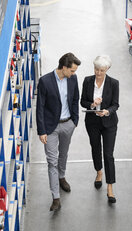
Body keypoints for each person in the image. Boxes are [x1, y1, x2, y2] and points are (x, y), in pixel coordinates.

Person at [36, 53, 81, 211]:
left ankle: (62, 177)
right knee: (51, 161)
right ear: (64, 68)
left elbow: (75, 99)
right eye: (72, 71)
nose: (74, 74)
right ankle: (56, 197)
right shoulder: (45, 81)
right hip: (51, 128)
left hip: (68, 124)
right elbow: (40, 107)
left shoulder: (72, 79)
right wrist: (42, 131)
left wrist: (74, 121)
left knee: (64, 154)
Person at [80, 55, 119, 203]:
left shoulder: (114, 83)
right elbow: (82, 101)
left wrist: (107, 111)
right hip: (92, 122)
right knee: (95, 148)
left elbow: (116, 104)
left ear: (107, 69)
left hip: (109, 123)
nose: (98, 73)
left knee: (108, 154)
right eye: (96, 69)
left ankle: (110, 187)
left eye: (101, 70)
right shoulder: (87, 81)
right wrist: (92, 105)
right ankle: (99, 172)